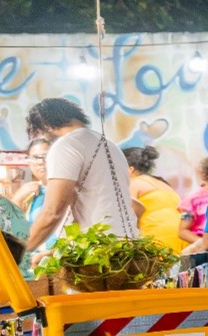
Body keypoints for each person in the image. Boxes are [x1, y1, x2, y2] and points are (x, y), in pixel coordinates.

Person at [22, 98, 140, 253]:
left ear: (45, 124)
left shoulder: (66, 145)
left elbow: (53, 212)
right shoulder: (110, 145)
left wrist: (20, 252)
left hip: (95, 250)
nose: (44, 138)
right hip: (126, 246)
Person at [123, 146, 185, 254]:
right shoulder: (163, 183)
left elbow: (129, 215)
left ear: (130, 169)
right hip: (181, 238)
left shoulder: (133, 183)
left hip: (157, 238)